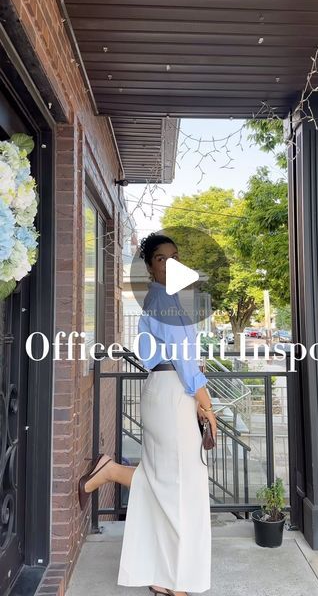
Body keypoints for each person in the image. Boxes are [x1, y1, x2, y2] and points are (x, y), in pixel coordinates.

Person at [78, 233, 217, 596]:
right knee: (179, 487)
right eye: (161, 259)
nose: (170, 264)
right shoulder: (163, 299)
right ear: (150, 267)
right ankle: (176, 580)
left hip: (163, 390)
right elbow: (186, 364)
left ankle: (161, 574)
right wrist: (207, 404)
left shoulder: (160, 299)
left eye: (175, 257)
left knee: (165, 482)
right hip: (174, 391)